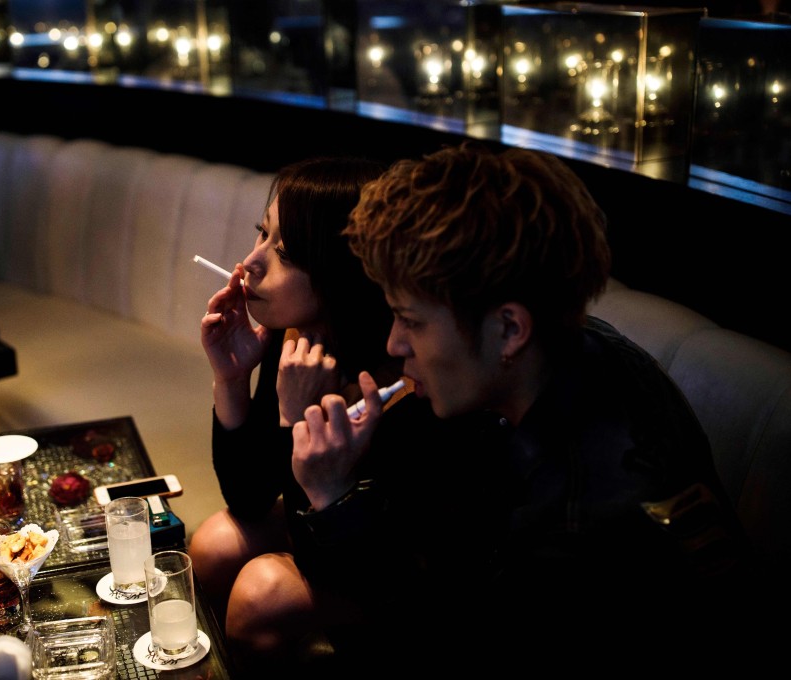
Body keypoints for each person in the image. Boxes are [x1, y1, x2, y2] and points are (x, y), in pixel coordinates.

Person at [291, 142, 757, 666]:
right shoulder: (562, 362)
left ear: (509, 328)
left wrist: (333, 500)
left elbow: (427, 645)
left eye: (413, 320)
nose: (396, 343)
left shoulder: (580, 532)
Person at [188, 156, 458, 676]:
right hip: (327, 535)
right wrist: (230, 378)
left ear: (343, 272)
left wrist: (294, 422)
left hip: (396, 575)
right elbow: (246, 496)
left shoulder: (411, 380)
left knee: (261, 591)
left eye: (284, 251)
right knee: (216, 542)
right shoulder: (297, 335)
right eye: (261, 233)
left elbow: (349, 564)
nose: (249, 263)